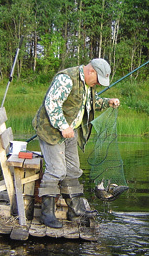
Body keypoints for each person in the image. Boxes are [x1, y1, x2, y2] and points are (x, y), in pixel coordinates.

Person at [32, 58, 120, 228]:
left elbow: (88, 103)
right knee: (56, 169)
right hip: (51, 131)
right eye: (98, 80)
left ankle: (76, 210)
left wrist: (107, 102)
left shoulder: (87, 85)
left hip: (70, 132)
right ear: (91, 71)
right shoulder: (66, 79)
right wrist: (63, 125)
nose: (98, 85)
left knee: (73, 169)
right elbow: (51, 103)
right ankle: (46, 214)